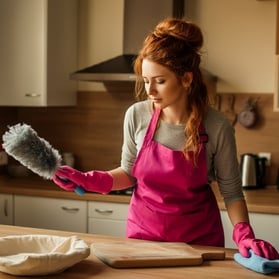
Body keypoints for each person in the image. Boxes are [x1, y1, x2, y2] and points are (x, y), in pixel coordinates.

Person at [53, 18, 279, 260]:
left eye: (160, 81)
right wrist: (89, 180)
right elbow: (129, 174)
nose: (150, 91)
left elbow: (232, 192)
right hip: (143, 239)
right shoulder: (136, 115)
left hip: (200, 244)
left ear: (186, 79)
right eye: (146, 81)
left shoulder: (217, 125)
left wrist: (244, 234)